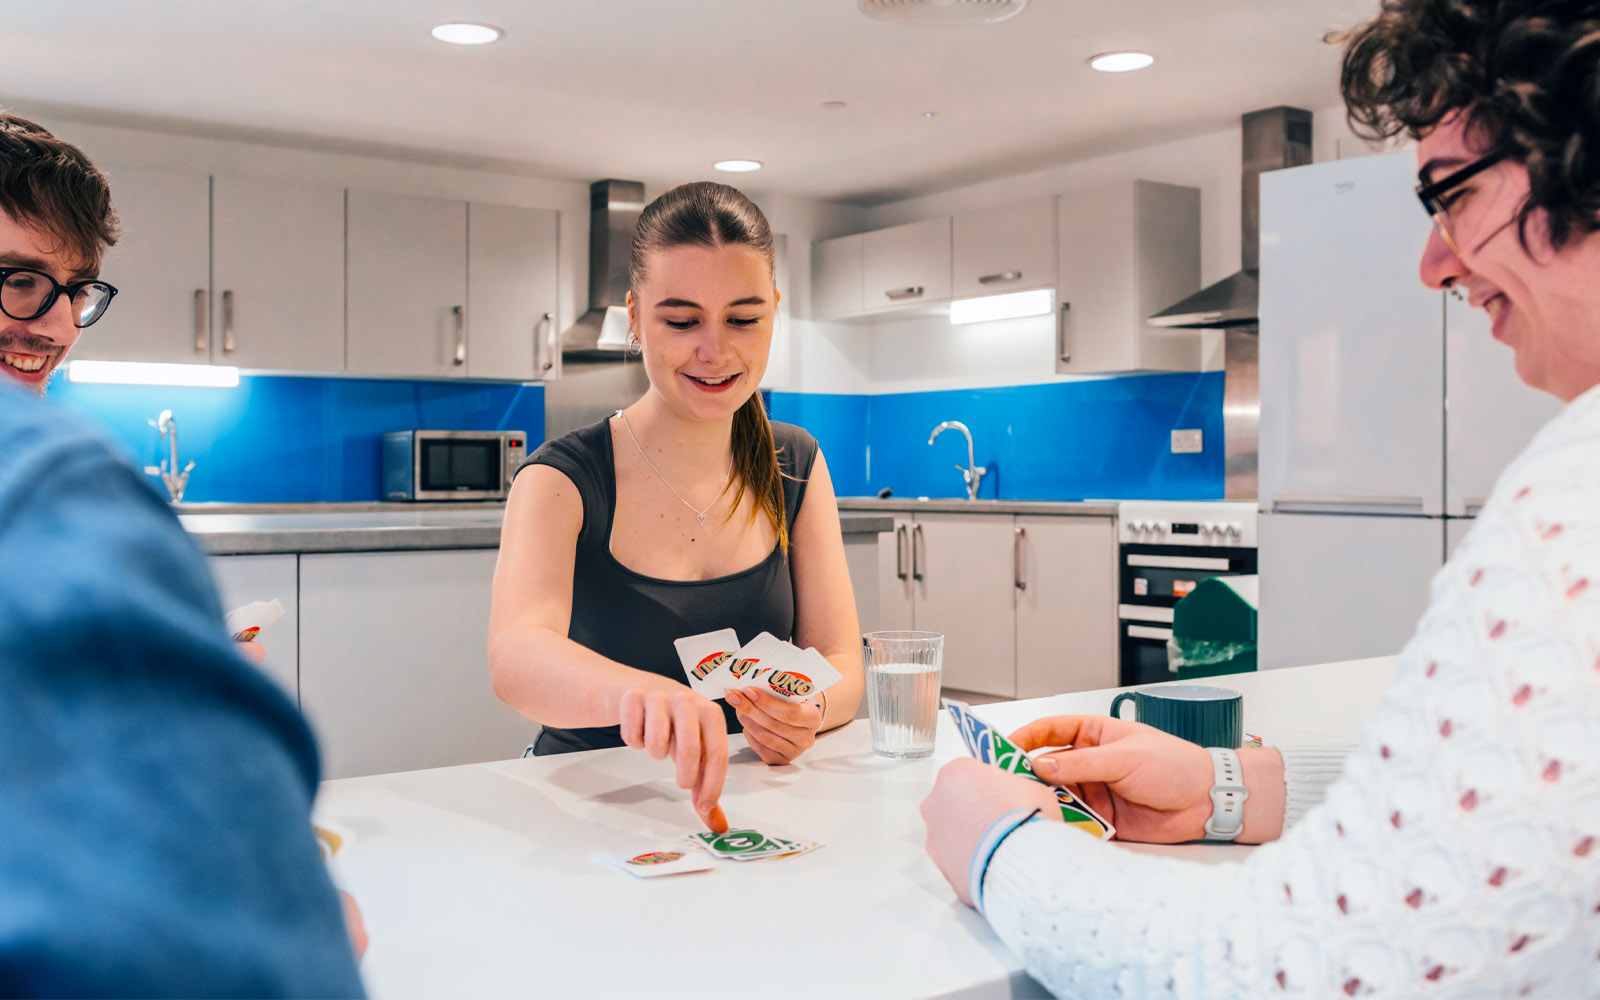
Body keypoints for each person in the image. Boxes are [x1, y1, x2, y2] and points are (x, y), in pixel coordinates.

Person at [920, 1, 1600, 995]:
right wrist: (1224, 783)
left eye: (1449, 195)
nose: (1431, 264)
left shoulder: (1575, 499)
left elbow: (1293, 971)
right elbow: (1528, 805)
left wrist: (1000, 847)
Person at [489, 181, 864, 833]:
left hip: (746, 810)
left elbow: (842, 663)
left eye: (743, 318)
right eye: (682, 320)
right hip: (586, 812)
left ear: (774, 311)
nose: (715, 350)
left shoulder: (796, 464)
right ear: (636, 317)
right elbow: (516, 656)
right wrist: (640, 693)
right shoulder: (561, 478)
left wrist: (808, 709)